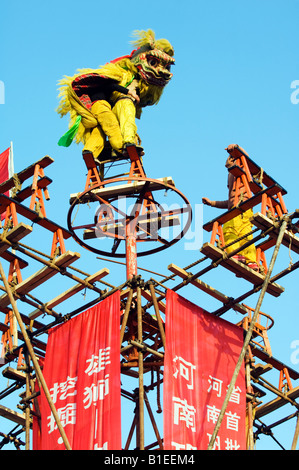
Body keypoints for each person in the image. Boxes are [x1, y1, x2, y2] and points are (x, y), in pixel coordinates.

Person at [202, 145, 259, 271]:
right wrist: (212, 203)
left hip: (243, 207)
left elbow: (246, 158)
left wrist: (236, 148)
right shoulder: (231, 176)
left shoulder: (243, 169)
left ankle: (250, 260)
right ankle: (238, 255)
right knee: (231, 232)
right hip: (233, 210)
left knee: (245, 234)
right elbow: (228, 202)